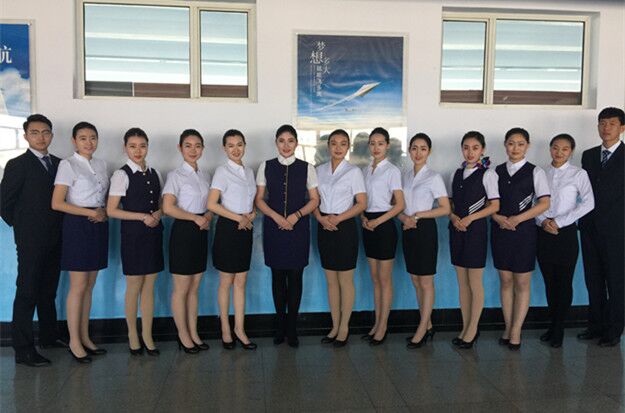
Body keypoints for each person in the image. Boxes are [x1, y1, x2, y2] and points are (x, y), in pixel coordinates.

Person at [0, 114, 66, 367]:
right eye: (35, 132)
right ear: (26, 136)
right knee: (27, 291)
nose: (41, 137)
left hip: (57, 236)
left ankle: (49, 336)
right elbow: (4, 203)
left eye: (46, 132)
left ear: (52, 135)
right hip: (30, 240)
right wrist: (24, 228)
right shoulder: (18, 164)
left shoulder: (60, 164)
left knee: (49, 289)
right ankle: (23, 349)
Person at [255, 124, 319, 348]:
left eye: (290, 140)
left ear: (296, 143)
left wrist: (296, 216)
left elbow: (315, 200)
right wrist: (276, 217)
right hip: (274, 229)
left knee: (295, 278)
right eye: (281, 141)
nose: (286, 145)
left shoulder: (307, 168)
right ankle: (279, 326)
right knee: (277, 277)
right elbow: (259, 199)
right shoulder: (266, 166)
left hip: (298, 229)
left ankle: (292, 328)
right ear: (276, 143)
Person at [51, 121, 110, 363]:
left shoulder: (101, 164)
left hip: (98, 224)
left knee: (89, 285)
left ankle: (85, 337)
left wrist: (102, 212)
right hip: (77, 225)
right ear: (74, 141)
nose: (89, 142)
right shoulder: (67, 164)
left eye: (93, 137)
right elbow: (57, 203)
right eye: (83, 138)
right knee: (78, 285)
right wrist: (89, 213)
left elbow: (102, 197)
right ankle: (74, 341)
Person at [106, 128, 164, 356]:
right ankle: (132, 334)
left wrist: (158, 213)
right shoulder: (121, 175)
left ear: (147, 147)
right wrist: (142, 217)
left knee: (150, 286)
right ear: (125, 148)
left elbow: (162, 204)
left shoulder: (155, 173)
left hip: (154, 234)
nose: (138, 151)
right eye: (132, 146)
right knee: (134, 286)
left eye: (142, 146)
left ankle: (147, 335)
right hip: (133, 236)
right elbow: (111, 210)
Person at [491, 127, 550, 350]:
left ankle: (517, 330)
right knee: (505, 281)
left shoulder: (536, 172)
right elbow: (489, 203)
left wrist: (517, 219)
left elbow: (544, 203)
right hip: (500, 231)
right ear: (505, 145)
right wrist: (497, 217)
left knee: (522, 282)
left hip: (524, 233)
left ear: (527, 146)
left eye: (520, 144)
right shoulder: (495, 172)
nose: (515, 148)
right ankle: (508, 327)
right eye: (511, 143)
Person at [536, 134, 594, 348]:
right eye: (555, 148)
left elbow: (588, 203)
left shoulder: (578, 174)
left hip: (566, 233)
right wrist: (543, 221)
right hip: (543, 232)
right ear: (550, 149)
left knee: (564, 282)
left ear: (571, 151)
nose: (559, 152)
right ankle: (552, 325)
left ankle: (559, 328)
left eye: (565, 149)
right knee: (550, 282)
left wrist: (559, 222)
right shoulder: (540, 173)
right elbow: (533, 202)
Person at [315, 129, 367, 347]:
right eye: (334, 143)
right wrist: (320, 218)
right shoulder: (318, 170)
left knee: (345, 280)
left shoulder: (354, 172)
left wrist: (338, 218)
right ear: (328, 146)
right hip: (323, 226)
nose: (338, 147)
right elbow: (313, 200)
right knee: (330, 280)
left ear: (348, 147)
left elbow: (361, 203)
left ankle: (344, 327)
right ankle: (334, 325)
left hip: (344, 227)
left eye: (343, 143)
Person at [162, 129, 212, 354]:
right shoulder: (175, 175)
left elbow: (210, 204)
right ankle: (182, 335)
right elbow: (168, 207)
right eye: (188, 146)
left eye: (197, 146)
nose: (193, 150)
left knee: (194, 287)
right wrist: (195, 218)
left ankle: (194, 332)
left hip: (202, 231)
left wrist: (207, 216)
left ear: (203, 149)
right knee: (181, 288)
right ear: (180, 148)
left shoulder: (205, 175)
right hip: (183, 232)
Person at [578, 107, 625, 347]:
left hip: (618, 231)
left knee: (616, 281)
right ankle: (595, 325)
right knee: (593, 279)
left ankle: (614, 330)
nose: (606, 128)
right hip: (589, 228)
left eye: (612, 124)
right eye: (602, 123)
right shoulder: (588, 156)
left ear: (622, 128)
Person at [449, 131, 500, 349]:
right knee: (462, 283)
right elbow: (450, 204)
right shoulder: (456, 173)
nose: (470, 152)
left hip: (475, 231)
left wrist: (470, 218)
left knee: (474, 282)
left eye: (475, 148)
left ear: (482, 150)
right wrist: (453, 217)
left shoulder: (488, 174)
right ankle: (465, 326)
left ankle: (473, 329)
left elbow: (495, 206)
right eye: (466, 148)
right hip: (456, 230)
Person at [399, 133, 450, 348]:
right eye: (414, 148)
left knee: (426, 281)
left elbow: (445, 208)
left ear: (429, 151)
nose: (418, 153)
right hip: (407, 229)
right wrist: (404, 218)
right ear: (409, 151)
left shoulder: (433, 177)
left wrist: (418, 216)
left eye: (423, 148)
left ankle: (422, 329)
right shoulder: (404, 176)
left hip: (425, 230)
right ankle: (427, 324)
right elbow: (397, 205)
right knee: (415, 279)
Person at [207, 129, 257, 350]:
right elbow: (212, 204)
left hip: (246, 229)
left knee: (241, 282)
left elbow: (251, 201)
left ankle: (240, 329)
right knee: (226, 282)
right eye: (231, 145)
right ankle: (225, 329)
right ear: (224, 148)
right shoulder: (222, 171)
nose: (236, 149)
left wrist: (252, 214)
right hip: (228, 228)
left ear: (244, 145)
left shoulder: (249, 172)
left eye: (239, 144)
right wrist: (239, 218)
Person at [360, 127, 405, 345]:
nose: (376, 147)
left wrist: (378, 221)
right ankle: (376, 323)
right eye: (372, 143)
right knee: (375, 278)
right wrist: (363, 217)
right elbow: (360, 200)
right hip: (367, 224)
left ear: (387, 145)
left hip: (384, 226)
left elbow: (400, 205)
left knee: (385, 279)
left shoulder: (392, 171)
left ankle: (383, 326)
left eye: (380, 143)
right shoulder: (365, 170)